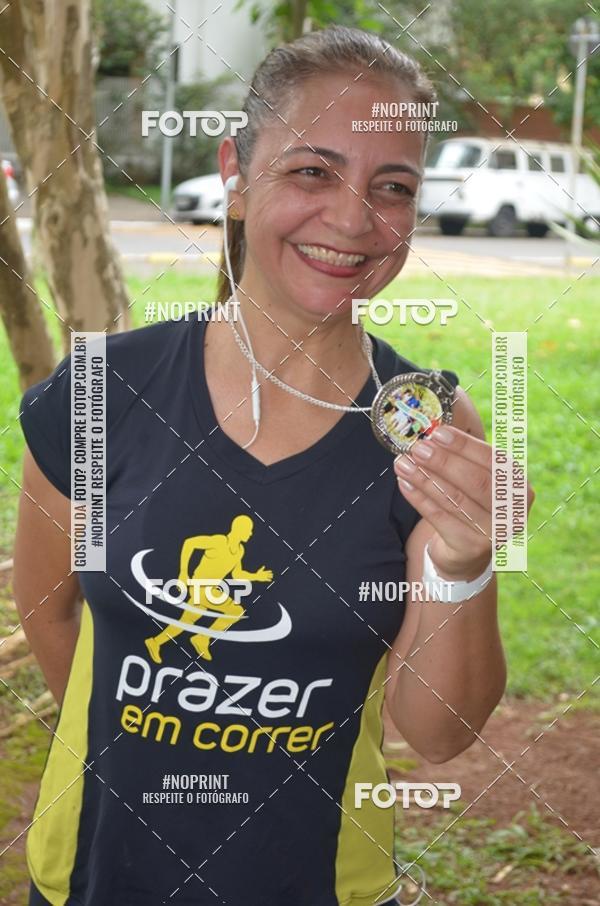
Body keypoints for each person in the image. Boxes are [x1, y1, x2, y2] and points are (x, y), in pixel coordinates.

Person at [14, 25, 533, 906]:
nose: (353, 218)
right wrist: (147, 777)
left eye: (393, 187)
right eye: (311, 171)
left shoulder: (425, 423)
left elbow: (438, 734)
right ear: (236, 173)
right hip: (98, 875)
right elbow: (46, 610)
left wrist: (464, 562)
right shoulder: (105, 389)